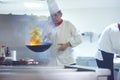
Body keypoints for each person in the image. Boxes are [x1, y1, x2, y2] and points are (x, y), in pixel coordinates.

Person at [42, 0, 82, 66]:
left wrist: (67, 45)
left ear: (61, 14)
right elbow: (42, 40)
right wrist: (46, 38)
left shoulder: (68, 24)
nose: (54, 18)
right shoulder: (47, 26)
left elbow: (79, 39)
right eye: (52, 16)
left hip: (68, 61)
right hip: (53, 62)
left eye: (55, 15)